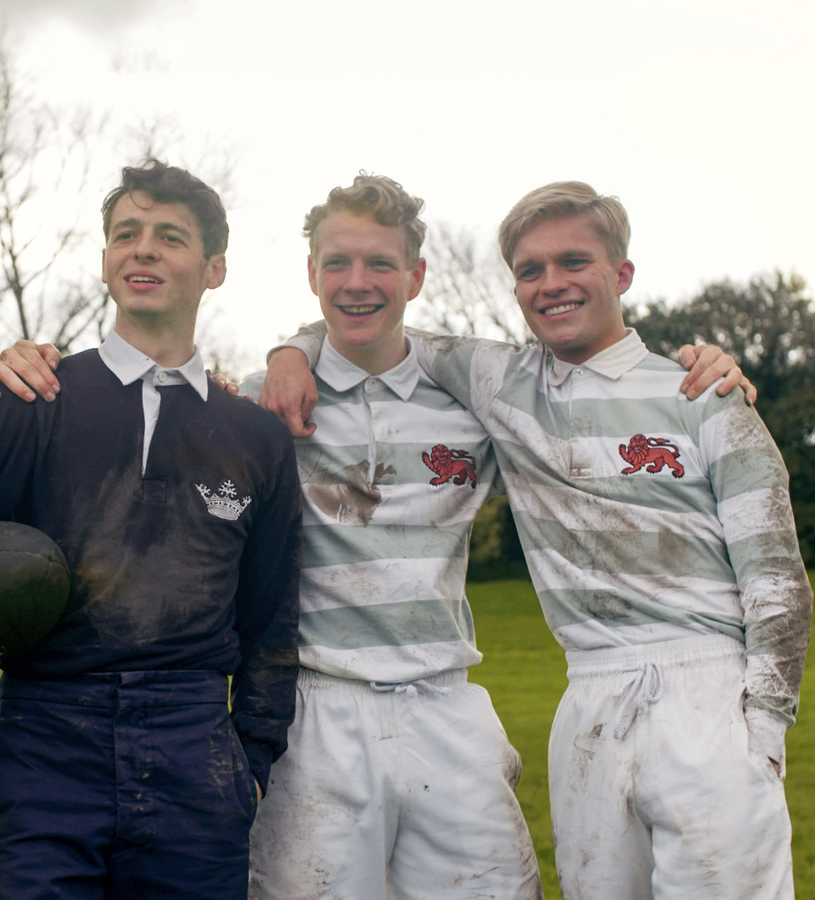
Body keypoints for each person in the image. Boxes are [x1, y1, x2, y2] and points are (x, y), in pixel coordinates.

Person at [264, 180, 812, 899]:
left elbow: (776, 574)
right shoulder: (504, 381)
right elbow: (376, 324)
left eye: (573, 262)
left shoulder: (701, 392)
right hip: (586, 697)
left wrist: (763, 738)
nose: (552, 284)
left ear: (620, 275)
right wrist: (291, 349)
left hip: (706, 694)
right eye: (530, 270)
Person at [0, 160, 303, 900]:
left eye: (169, 237)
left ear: (214, 269)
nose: (143, 249)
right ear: (106, 261)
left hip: (194, 748)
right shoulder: (31, 399)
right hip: (49, 740)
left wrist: (252, 762)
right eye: (126, 234)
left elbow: (272, 618)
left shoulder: (254, 437)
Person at [237, 174, 542, 899]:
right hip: (316, 709)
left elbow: (585, 383)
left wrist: (695, 366)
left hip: (446, 702)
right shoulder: (262, 402)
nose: (357, 283)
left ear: (417, 274)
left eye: (380, 263)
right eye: (337, 263)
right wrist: (292, 350)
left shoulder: (472, 403)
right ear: (311, 274)